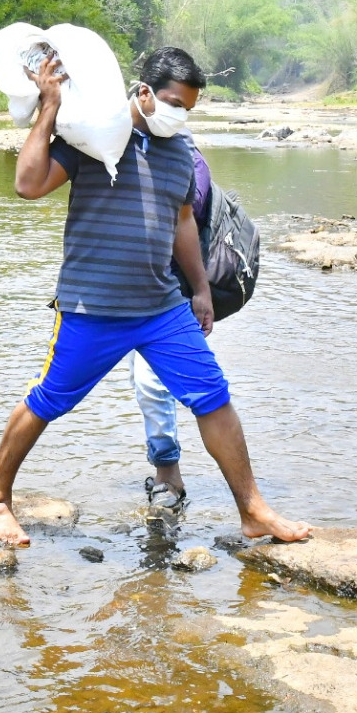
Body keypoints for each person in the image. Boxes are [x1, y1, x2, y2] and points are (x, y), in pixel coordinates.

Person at [0, 46, 309, 547]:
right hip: (93, 306)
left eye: (189, 108)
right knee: (49, 399)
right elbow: (27, 185)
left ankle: (253, 510)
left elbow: (181, 221)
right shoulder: (95, 134)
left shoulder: (181, 149)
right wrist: (48, 108)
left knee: (213, 398)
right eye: (174, 102)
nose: (180, 114)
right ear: (145, 92)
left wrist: (199, 289)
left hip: (161, 306)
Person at [130, 127, 211, 511]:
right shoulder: (134, 152)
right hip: (135, 295)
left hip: (172, 298)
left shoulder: (186, 162)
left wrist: (200, 292)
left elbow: (182, 220)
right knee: (153, 384)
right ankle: (168, 471)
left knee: (154, 383)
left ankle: (168, 475)